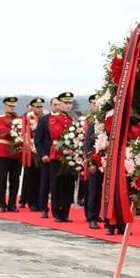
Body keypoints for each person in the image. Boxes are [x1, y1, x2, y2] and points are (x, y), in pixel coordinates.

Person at [46, 92, 78, 223]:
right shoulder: (53, 118)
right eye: (66, 103)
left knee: (69, 185)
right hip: (58, 154)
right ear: (59, 104)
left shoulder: (72, 119)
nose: (68, 105)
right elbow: (57, 133)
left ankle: (65, 212)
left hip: (70, 155)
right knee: (57, 185)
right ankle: (57, 212)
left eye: (70, 103)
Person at [0, 97, 23, 213]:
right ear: (5, 106)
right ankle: (1, 203)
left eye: (13, 106)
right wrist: (14, 130)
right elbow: (3, 132)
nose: (12, 108)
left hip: (16, 153)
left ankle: (12, 204)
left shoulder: (19, 119)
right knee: (2, 180)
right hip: (4, 152)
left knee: (15, 180)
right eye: (10, 106)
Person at [23, 98, 47, 213]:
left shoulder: (46, 117)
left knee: (42, 178)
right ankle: (32, 202)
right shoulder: (28, 118)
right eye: (37, 107)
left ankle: (41, 202)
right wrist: (31, 146)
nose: (39, 109)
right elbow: (25, 134)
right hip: (31, 152)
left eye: (41, 106)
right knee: (32, 178)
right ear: (32, 107)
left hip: (43, 151)